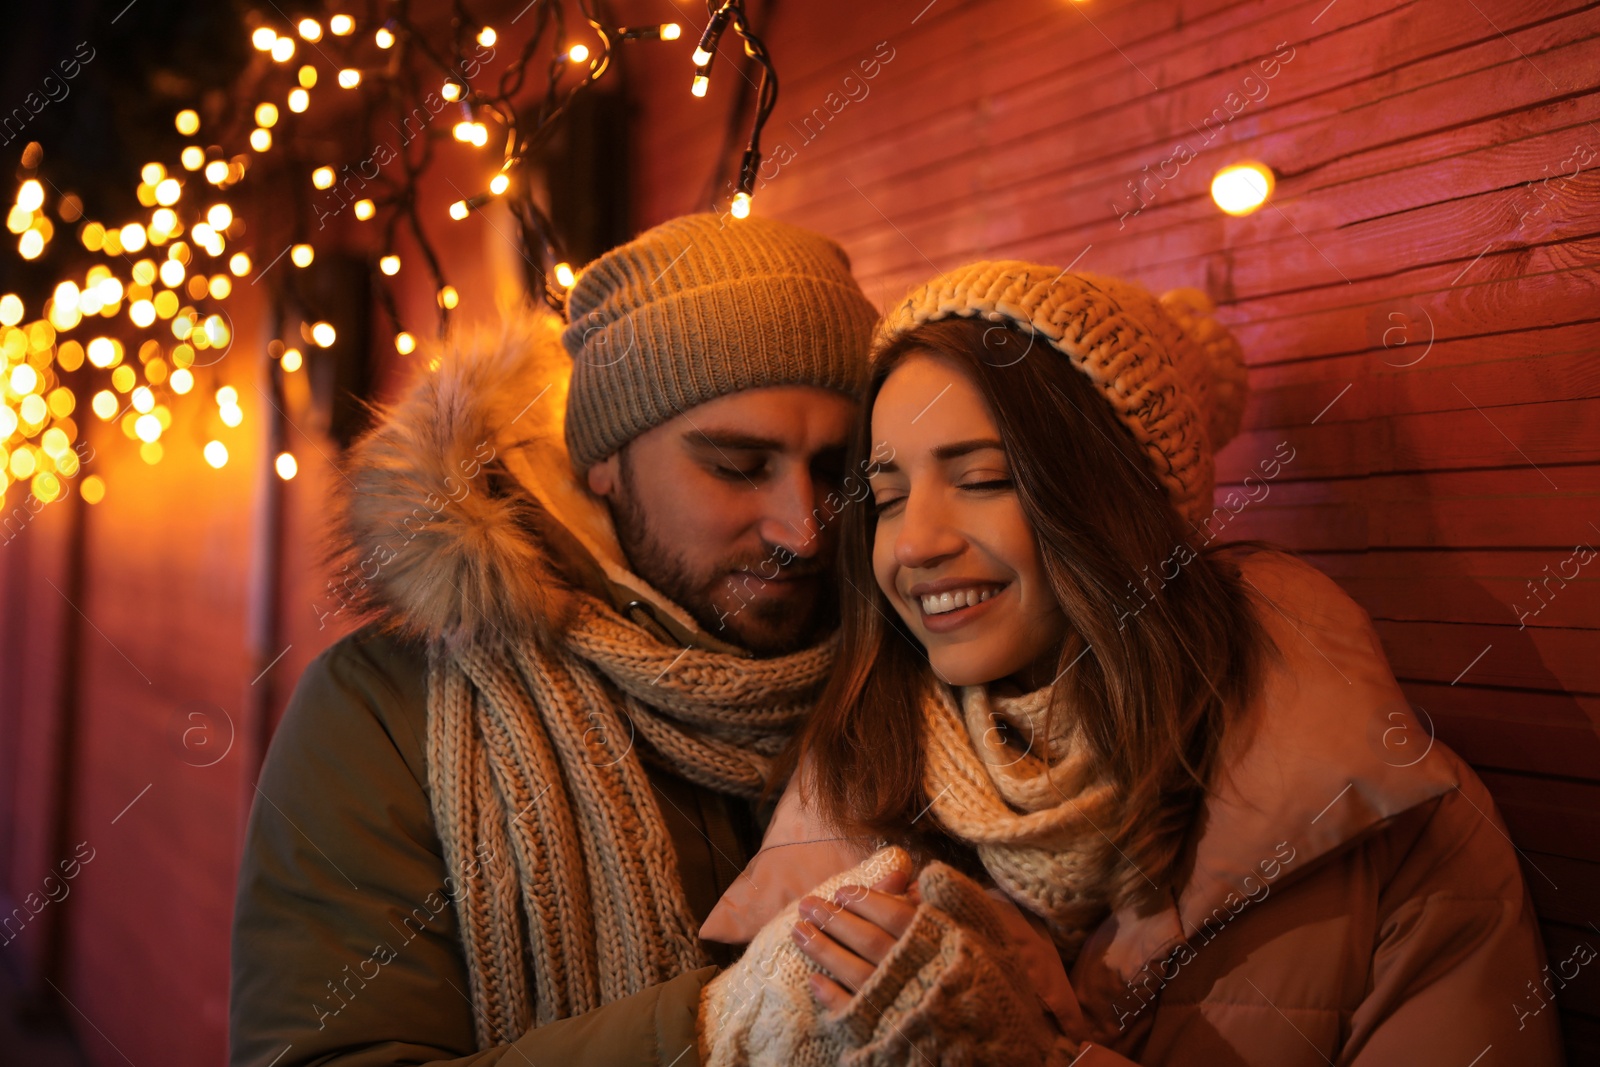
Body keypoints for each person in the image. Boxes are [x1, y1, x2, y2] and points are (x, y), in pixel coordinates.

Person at [696, 263, 1565, 1066]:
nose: (915, 541)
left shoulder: (1396, 830)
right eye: (887, 497)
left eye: (987, 479)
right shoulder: (847, 786)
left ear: (1122, 506)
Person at [227, 214, 883, 1066]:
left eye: (835, 469)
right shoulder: (386, 713)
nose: (803, 528)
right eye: (734, 465)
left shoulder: (896, 677)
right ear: (603, 458)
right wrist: (710, 1033)